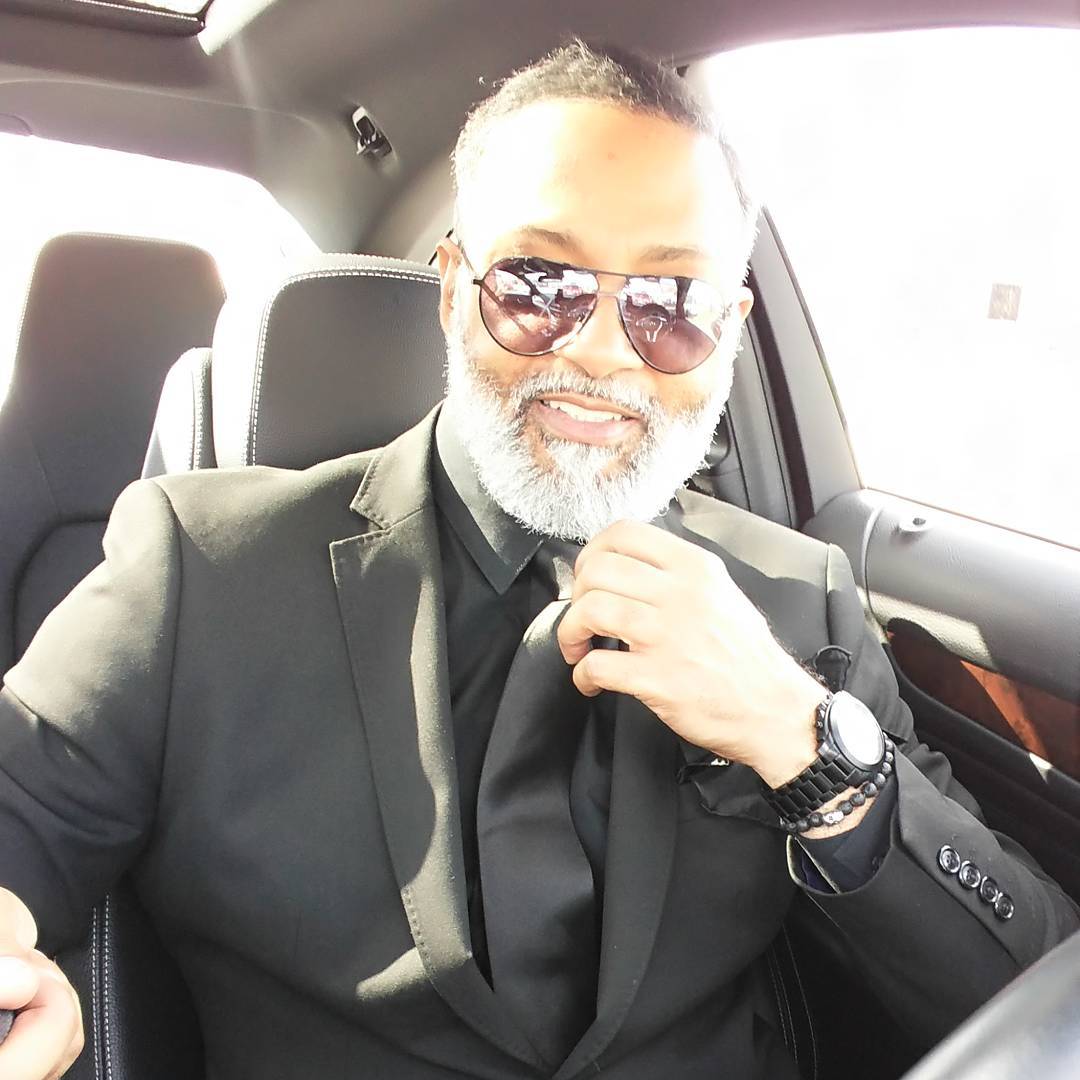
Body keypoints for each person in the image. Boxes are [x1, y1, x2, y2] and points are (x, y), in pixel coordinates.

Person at [0, 40, 1076, 1080]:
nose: (601, 350)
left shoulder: (800, 604)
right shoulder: (202, 568)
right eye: (538, 282)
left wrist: (802, 746)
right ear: (452, 288)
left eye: (672, 303)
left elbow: (1032, 990)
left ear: (731, 330)